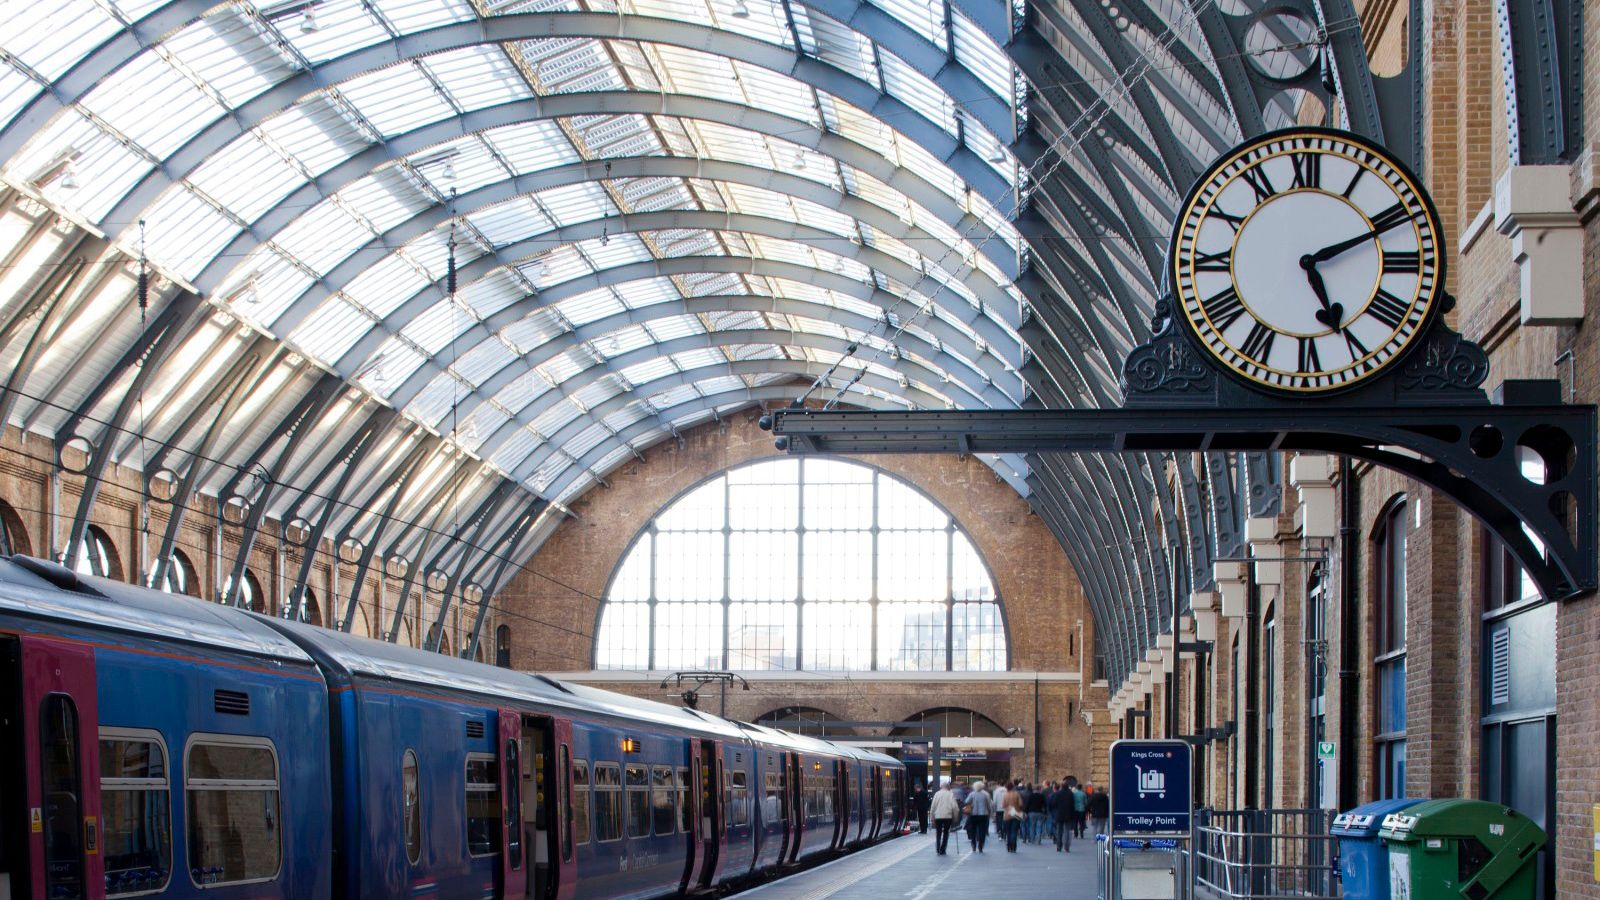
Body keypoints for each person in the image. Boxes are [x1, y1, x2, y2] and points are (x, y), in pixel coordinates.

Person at [929, 781, 959, 855]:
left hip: (938, 816)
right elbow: (955, 807)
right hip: (948, 816)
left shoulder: (937, 794)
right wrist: (955, 817)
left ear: (941, 787)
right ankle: (943, 849)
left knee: (938, 832)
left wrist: (932, 817)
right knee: (946, 833)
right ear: (948, 787)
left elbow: (933, 806)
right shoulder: (951, 794)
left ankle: (938, 848)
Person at [964, 780, 991, 852]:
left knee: (973, 830)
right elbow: (989, 805)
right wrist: (990, 812)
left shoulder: (972, 794)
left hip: (973, 814)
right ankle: (981, 846)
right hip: (983, 814)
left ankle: (973, 844)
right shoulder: (985, 795)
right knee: (982, 830)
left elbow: (966, 801)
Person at [1001, 781, 1025, 852]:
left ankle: (1009, 846)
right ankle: (1014, 846)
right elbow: (1021, 804)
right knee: (1014, 831)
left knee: (1008, 831)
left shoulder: (1005, 795)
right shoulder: (1017, 794)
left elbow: (1003, 805)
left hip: (1007, 814)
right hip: (1016, 814)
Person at [1049, 781, 1073, 851]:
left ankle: (1059, 846)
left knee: (1059, 831)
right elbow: (1072, 805)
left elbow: (1054, 804)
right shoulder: (1070, 794)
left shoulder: (1058, 793)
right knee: (1067, 831)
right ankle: (1066, 846)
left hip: (1059, 814)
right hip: (1068, 814)